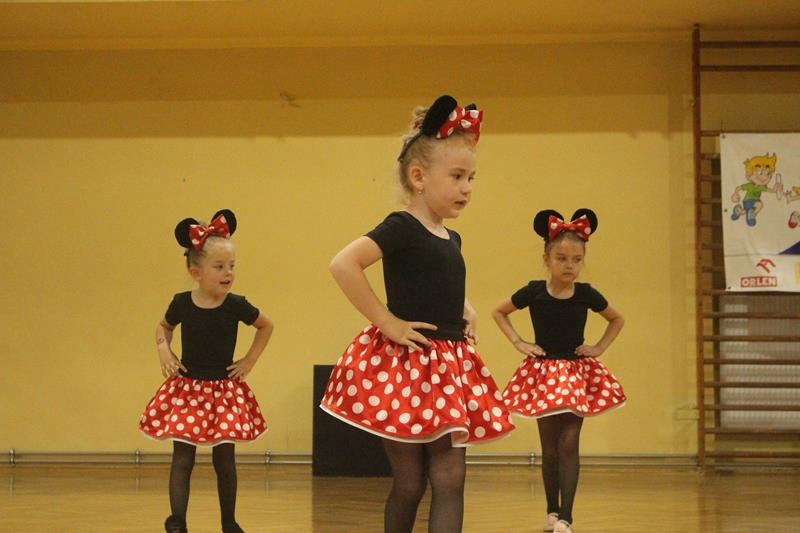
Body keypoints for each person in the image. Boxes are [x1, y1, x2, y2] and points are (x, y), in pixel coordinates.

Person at [320, 95, 515, 533]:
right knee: (409, 483)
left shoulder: (451, 238)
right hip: (407, 368)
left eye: (471, 178)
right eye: (457, 176)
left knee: (450, 477)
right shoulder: (401, 226)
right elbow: (343, 265)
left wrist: (464, 307)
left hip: (448, 367)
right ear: (419, 177)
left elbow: (436, 279)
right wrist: (387, 322)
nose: (467, 187)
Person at [139, 209, 274, 533]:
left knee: (224, 460)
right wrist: (163, 349)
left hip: (223, 391)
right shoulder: (182, 303)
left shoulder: (236, 304)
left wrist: (249, 361)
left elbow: (266, 326)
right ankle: (177, 521)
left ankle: (229, 522)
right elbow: (163, 327)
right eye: (219, 266)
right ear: (195, 272)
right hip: (187, 390)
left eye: (232, 266)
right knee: (182, 459)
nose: (228, 273)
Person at [492, 209, 625, 533]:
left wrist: (599, 347)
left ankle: (567, 516)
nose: (569, 266)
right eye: (562, 258)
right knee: (550, 448)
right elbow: (499, 312)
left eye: (577, 260)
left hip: (576, 374)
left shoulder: (586, 294)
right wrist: (518, 342)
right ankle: (552, 510)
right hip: (543, 374)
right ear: (547, 259)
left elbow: (616, 319)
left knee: (569, 442)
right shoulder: (534, 291)